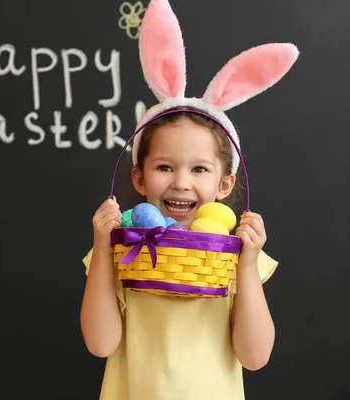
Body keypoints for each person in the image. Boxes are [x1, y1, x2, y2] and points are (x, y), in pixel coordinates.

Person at [79, 0, 299, 399]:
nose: (181, 182)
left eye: (199, 170)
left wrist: (246, 265)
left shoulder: (233, 254)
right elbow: (100, 343)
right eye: (165, 167)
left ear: (225, 185)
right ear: (139, 178)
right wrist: (101, 244)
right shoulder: (122, 248)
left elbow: (255, 355)